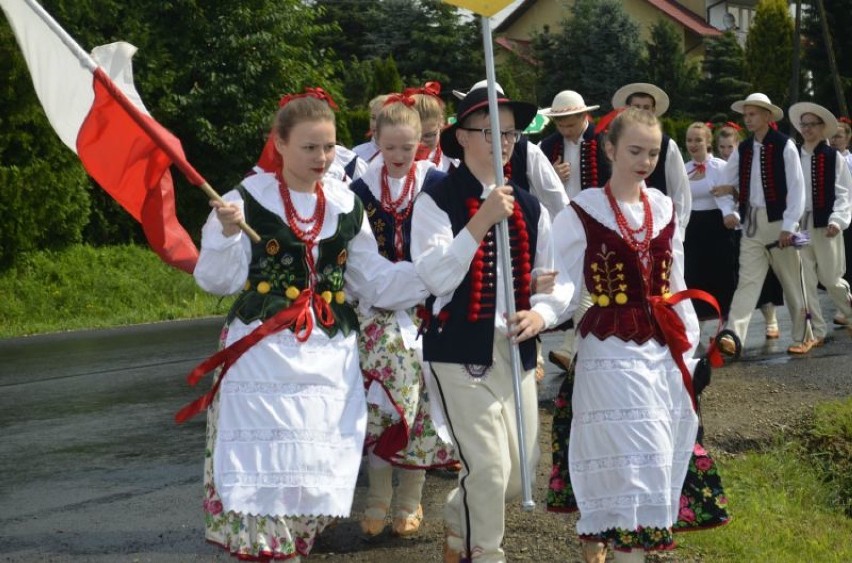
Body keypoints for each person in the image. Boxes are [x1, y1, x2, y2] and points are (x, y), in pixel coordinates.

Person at [181, 89, 430, 561]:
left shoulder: (343, 203)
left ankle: (293, 547)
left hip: (328, 359)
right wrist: (227, 234)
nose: (321, 158)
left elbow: (374, 281)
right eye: (309, 147)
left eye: (329, 147)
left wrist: (435, 271)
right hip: (262, 358)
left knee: (311, 466)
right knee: (264, 468)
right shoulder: (244, 199)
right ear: (279, 143)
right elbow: (215, 280)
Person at [410, 84, 572, 562]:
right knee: (487, 466)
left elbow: (559, 282)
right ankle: (486, 552)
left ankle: (459, 513)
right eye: (489, 131)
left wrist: (541, 310)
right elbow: (435, 275)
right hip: (458, 350)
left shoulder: (529, 204)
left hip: (515, 351)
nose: (504, 142)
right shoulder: (436, 198)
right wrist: (479, 221)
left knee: (519, 473)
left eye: (511, 133)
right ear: (461, 136)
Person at [549, 107, 702, 563]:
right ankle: (617, 540)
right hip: (607, 348)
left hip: (659, 343)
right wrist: (539, 311)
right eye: (635, 150)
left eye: (653, 152)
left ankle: (626, 542)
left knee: (654, 447)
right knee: (623, 448)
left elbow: (676, 283)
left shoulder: (664, 207)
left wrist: (690, 344)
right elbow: (560, 282)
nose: (645, 161)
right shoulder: (582, 213)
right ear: (610, 149)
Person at [348, 94, 455, 539]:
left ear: (422, 145)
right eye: (389, 147)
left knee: (423, 402)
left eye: (407, 148)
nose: (397, 157)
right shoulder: (357, 191)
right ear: (374, 140)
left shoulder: (438, 184)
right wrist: (404, 283)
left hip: (429, 309)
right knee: (381, 400)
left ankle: (409, 501)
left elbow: (445, 257)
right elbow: (361, 264)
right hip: (375, 308)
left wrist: (419, 283)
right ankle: (376, 497)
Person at [714, 93, 808, 356]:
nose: (748, 119)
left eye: (753, 114)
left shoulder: (784, 145)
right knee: (747, 282)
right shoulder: (743, 149)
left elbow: (797, 188)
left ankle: (804, 334)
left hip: (779, 221)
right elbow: (723, 184)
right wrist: (727, 211)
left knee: (791, 282)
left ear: (768, 116)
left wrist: (790, 225)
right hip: (751, 223)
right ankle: (733, 335)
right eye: (746, 114)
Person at [538, 90, 611, 373]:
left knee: (588, 286)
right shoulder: (547, 147)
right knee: (566, 287)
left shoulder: (604, 141)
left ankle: (574, 350)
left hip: (596, 224)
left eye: (570, 123)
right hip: (562, 227)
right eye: (560, 124)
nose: (565, 130)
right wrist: (552, 178)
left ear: (584, 116)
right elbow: (537, 190)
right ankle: (570, 349)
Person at [452, 80, 569, 220]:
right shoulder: (442, 195)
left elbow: (556, 199)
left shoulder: (528, 151)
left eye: (508, 132)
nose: (503, 141)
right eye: (489, 131)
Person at [713, 121, 784, 341]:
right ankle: (731, 331)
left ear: (737, 145)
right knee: (740, 279)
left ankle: (772, 319)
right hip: (731, 227)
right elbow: (719, 193)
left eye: (729, 147)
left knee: (768, 277)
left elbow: (754, 191)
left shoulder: (750, 159)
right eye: (722, 147)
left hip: (754, 223)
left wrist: (735, 200)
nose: (726, 152)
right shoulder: (718, 166)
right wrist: (728, 211)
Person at [788, 102, 852, 342]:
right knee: (805, 278)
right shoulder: (793, 155)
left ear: (822, 127)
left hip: (826, 224)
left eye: (811, 124)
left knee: (831, 279)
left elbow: (845, 192)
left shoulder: (833, 157)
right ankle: (816, 329)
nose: (806, 129)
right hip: (801, 226)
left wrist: (838, 220)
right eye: (803, 124)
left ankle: (849, 311)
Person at [611, 83, 692, 236]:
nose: (641, 111)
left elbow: (680, 189)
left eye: (646, 107)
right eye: (636, 106)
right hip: (621, 223)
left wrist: (678, 230)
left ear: (653, 111)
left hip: (658, 224)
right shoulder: (616, 144)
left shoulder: (668, 145)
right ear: (627, 109)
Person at [683, 122, 738, 323]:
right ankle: (697, 325)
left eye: (698, 140)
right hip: (693, 228)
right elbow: (679, 200)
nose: (693, 144)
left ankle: (726, 324)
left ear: (708, 142)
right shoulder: (684, 169)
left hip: (717, 226)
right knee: (694, 275)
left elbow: (733, 194)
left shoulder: (720, 167)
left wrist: (730, 214)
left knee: (722, 275)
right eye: (689, 140)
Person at [405, 81, 458, 172]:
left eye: (428, 135)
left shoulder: (453, 162)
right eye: (413, 136)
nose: (420, 143)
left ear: (441, 125)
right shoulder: (390, 162)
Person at [831, 119, 852, 300]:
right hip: (834, 217)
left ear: (847, 138)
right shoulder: (827, 160)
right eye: (832, 137)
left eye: (838, 136)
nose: (834, 140)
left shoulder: (849, 160)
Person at [352, 94, 390, 163]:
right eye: (373, 118)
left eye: (383, 119)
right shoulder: (356, 153)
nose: (376, 124)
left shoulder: (405, 154)